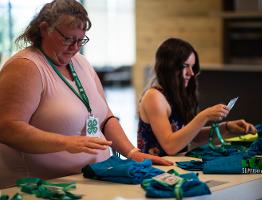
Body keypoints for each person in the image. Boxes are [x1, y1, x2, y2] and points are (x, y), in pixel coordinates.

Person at [0, 0, 172, 189]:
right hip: (44, 187)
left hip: (92, 177)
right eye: (68, 39)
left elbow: (105, 117)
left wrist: (131, 152)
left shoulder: (81, 62)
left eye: (81, 40)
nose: (75, 47)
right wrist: (65, 143)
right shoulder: (26, 66)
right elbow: (8, 128)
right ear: (44, 29)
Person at [137, 38, 257, 156]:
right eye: (185, 66)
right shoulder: (154, 97)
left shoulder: (175, 95)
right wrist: (204, 116)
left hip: (173, 168)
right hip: (154, 171)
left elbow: (194, 136)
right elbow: (170, 146)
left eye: (192, 67)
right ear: (169, 66)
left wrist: (227, 127)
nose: (191, 73)